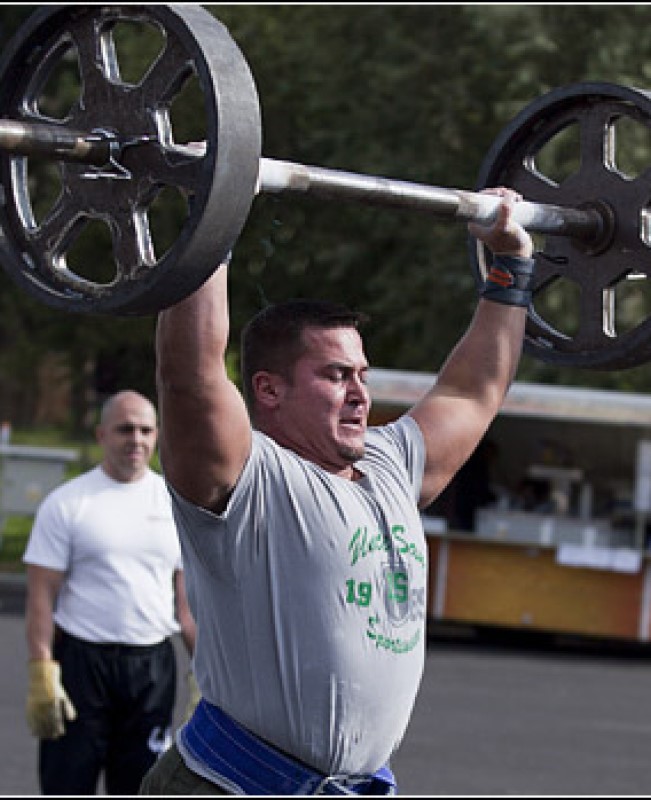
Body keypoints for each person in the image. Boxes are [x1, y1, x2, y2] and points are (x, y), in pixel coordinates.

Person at [140, 187, 534, 795]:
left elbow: (473, 391)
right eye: (335, 375)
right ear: (268, 391)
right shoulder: (248, 480)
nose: (360, 393)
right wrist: (213, 212)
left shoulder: (392, 463)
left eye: (362, 375)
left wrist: (510, 264)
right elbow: (189, 373)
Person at [23, 390, 196, 796]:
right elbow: (40, 598)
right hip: (82, 667)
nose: (135, 438)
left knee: (140, 787)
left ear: (157, 436)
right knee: (67, 785)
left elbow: (188, 607)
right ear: (102, 435)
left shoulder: (176, 506)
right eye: (124, 429)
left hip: (151, 669)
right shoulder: (67, 504)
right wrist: (41, 670)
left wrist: (205, 673)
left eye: (145, 429)